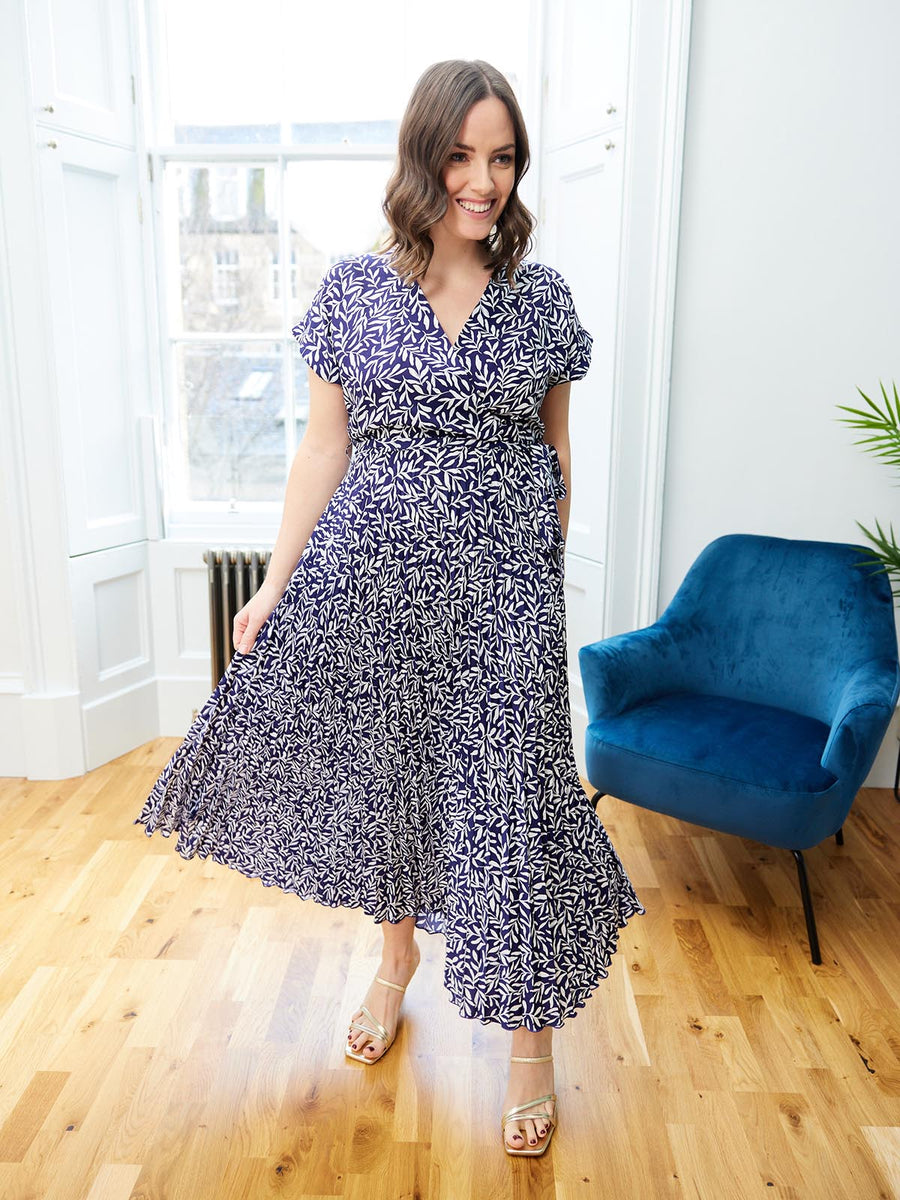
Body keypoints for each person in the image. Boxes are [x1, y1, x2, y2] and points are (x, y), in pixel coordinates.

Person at [135, 58, 646, 1158]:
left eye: (503, 156)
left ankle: (529, 1046)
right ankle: (395, 958)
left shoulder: (543, 299)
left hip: (505, 593)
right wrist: (274, 584)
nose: (485, 179)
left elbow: (556, 453)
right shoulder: (354, 293)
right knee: (391, 779)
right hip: (378, 578)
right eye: (463, 154)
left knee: (512, 805)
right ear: (424, 159)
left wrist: (537, 581)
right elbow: (323, 446)